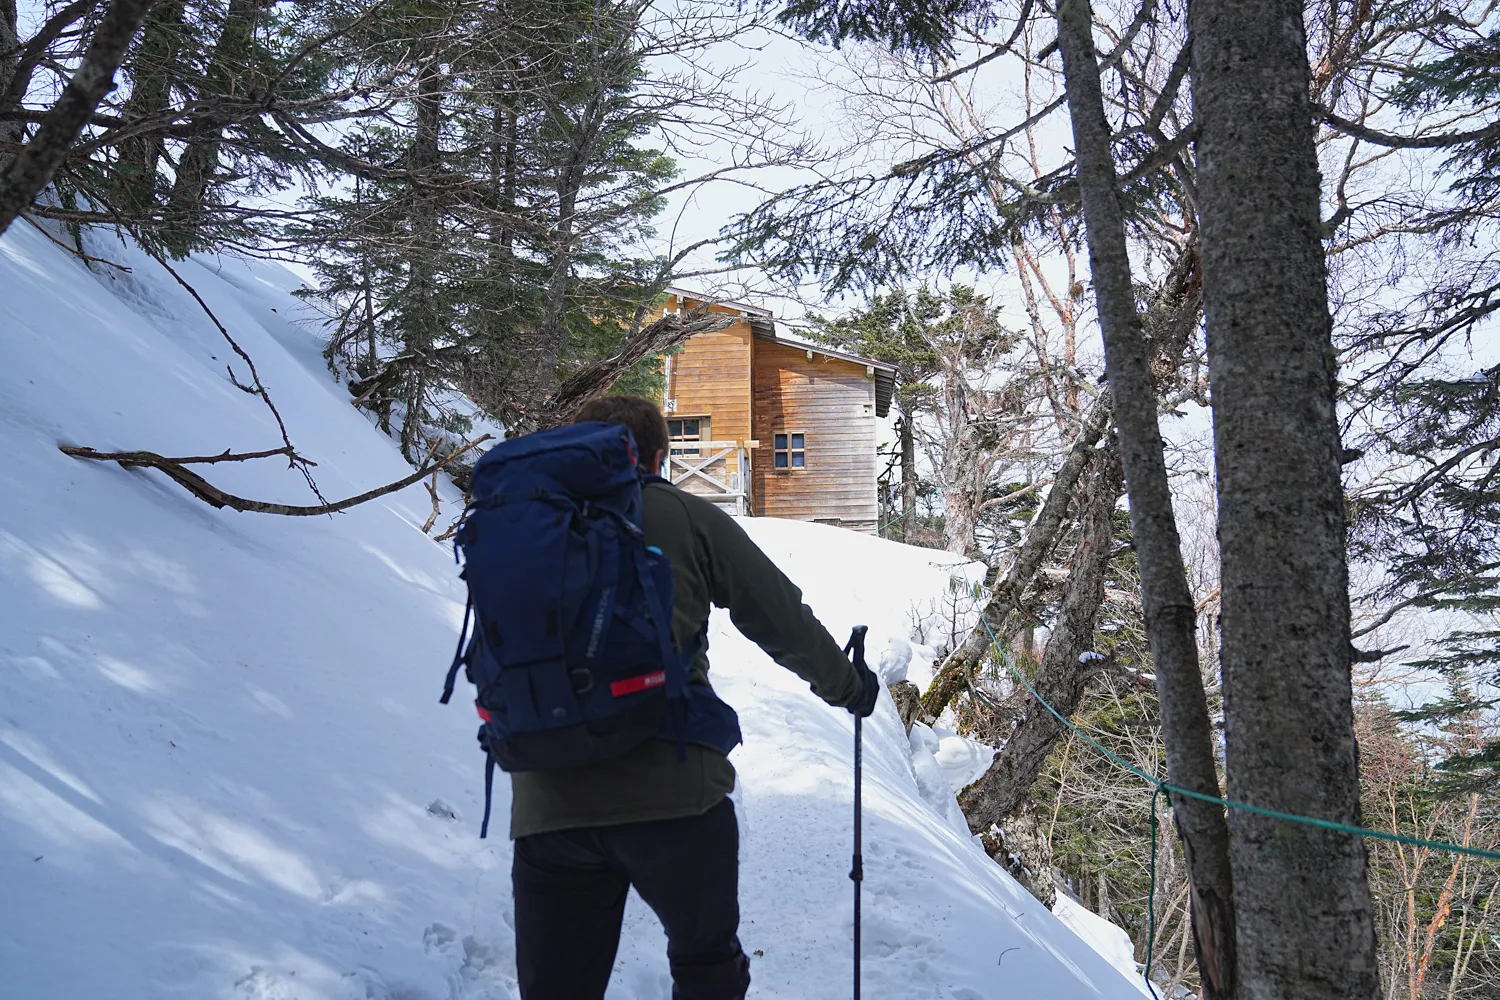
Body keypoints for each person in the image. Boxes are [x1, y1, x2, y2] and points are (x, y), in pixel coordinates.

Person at [507, 394, 881, 1000]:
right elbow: (777, 615)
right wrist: (849, 687)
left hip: (550, 801)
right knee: (706, 964)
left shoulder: (529, 523)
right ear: (658, 458)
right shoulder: (684, 515)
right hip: (676, 793)